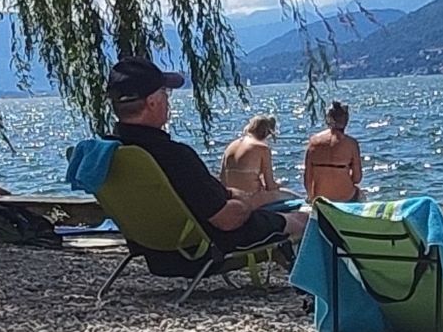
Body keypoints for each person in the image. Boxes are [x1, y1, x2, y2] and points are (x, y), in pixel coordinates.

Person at [107, 57, 308, 250]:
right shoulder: (174, 157)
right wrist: (246, 203)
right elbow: (227, 220)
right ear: (152, 102)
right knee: (303, 220)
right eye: (165, 92)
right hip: (202, 246)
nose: (168, 100)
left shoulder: (112, 153)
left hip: (150, 244)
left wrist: (229, 193)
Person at [219, 114, 297, 208]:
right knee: (292, 196)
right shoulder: (262, 148)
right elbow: (270, 186)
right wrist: (280, 183)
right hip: (250, 198)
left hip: (232, 197)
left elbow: (222, 179)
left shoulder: (230, 147)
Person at [301, 101, 362, 204]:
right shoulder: (351, 144)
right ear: (346, 120)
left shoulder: (314, 142)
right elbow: (357, 178)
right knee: (361, 194)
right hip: (345, 197)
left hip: (320, 199)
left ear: (329, 118)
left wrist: (311, 198)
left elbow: (307, 177)